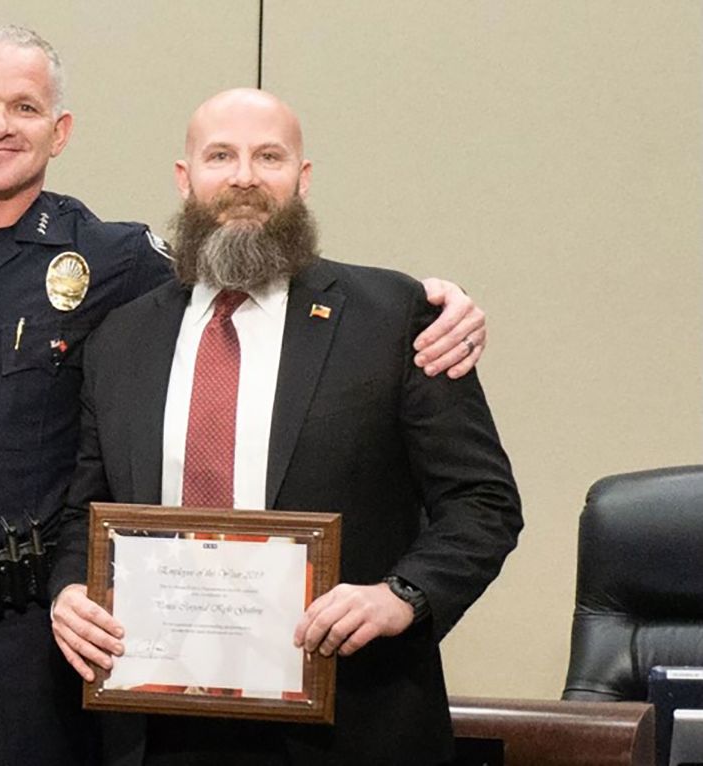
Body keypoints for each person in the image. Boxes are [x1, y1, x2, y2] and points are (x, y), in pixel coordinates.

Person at [0, 26, 489, 766]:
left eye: (26, 107)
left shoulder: (118, 263)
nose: (1, 125)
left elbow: (258, 267)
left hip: (29, 634)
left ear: (61, 131)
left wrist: (438, 301)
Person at [49, 88, 522, 766]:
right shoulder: (123, 337)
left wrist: (403, 596)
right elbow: (82, 514)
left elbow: (484, 504)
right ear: (185, 180)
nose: (244, 177)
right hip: (157, 723)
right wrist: (70, 590)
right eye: (221, 156)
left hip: (352, 718)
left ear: (302, 178)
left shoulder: (395, 318)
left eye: (268, 156)